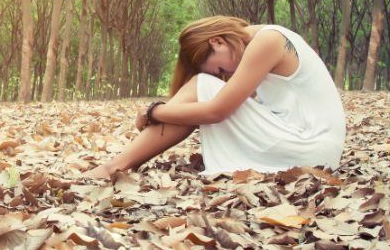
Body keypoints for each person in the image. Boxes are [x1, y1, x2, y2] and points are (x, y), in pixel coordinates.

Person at [86, 16, 345, 179]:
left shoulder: (268, 41)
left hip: (311, 151)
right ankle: (121, 162)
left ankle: (116, 166)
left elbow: (216, 112)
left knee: (202, 85)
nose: (227, 74)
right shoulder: (263, 40)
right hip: (312, 147)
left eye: (220, 69)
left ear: (217, 42)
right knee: (203, 87)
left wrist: (154, 111)